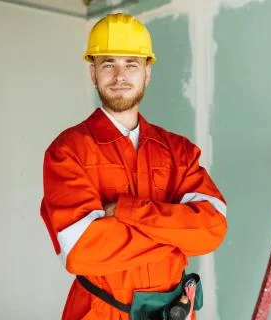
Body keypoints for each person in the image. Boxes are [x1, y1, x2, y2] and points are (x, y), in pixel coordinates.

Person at [40, 13, 228, 320]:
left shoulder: (179, 151)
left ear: (147, 72)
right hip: (101, 312)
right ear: (93, 72)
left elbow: (211, 229)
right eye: (108, 64)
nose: (119, 75)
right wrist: (177, 237)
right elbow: (80, 250)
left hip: (173, 313)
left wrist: (125, 212)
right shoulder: (68, 150)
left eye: (131, 64)